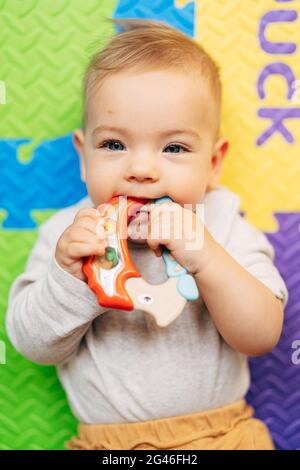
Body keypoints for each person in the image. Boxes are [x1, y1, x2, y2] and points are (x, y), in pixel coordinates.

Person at [6, 18, 288, 450]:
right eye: (114, 145)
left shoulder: (222, 222)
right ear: (84, 156)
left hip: (220, 435)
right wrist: (70, 277)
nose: (140, 169)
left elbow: (261, 335)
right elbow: (33, 345)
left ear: (212, 164)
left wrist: (206, 256)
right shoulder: (69, 235)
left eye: (174, 148)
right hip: (109, 447)